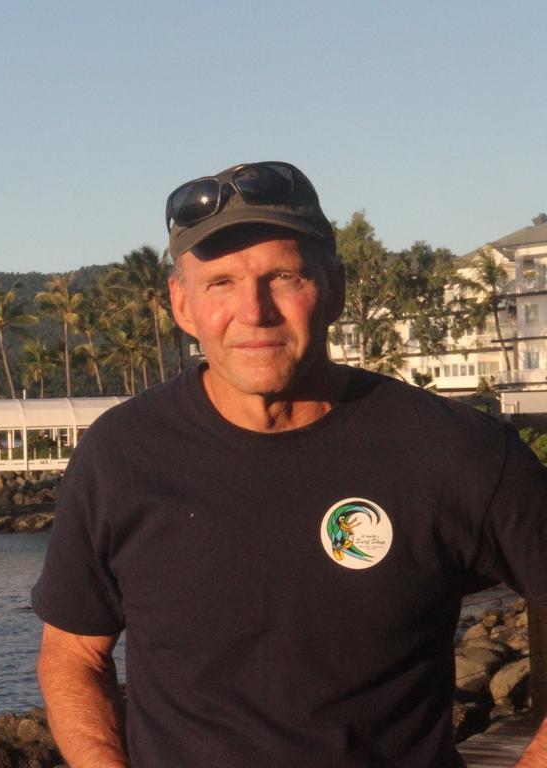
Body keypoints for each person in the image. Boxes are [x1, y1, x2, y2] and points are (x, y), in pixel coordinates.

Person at [31, 160, 547, 767]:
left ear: (334, 286)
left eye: (283, 277)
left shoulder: (457, 451)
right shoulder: (120, 455)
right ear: (181, 304)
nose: (254, 311)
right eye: (219, 283)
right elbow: (72, 654)